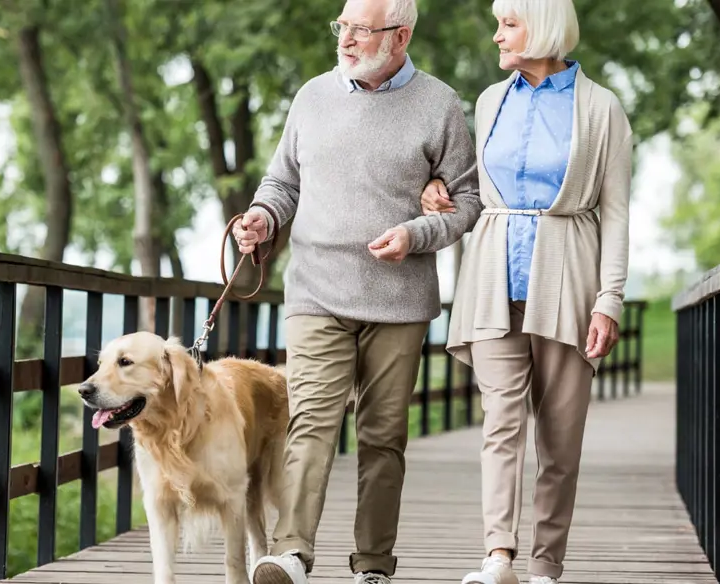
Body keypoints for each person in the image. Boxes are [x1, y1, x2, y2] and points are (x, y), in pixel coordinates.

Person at [232, 0, 483, 582]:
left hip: (399, 300)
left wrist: (417, 233)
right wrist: (264, 218)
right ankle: (290, 554)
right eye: (341, 27)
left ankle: (373, 564)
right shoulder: (312, 97)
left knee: (382, 436)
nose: (345, 40)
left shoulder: (440, 105)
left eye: (360, 30)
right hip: (317, 290)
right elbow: (282, 182)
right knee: (311, 422)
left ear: (400, 37)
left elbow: (468, 203)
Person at [420, 1, 632, 583]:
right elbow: (469, 183)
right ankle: (499, 557)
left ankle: (544, 567)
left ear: (540, 26)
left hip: (569, 280)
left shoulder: (601, 108)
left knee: (561, 438)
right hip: (492, 277)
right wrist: (437, 186)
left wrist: (609, 298)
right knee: (501, 423)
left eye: (508, 24)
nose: (497, 35)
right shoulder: (491, 100)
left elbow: (614, 214)